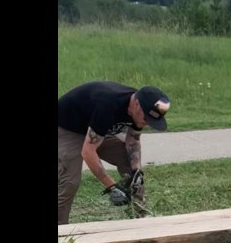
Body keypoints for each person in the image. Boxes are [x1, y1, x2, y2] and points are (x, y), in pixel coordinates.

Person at [57, 81, 171, 225]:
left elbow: (133, 139)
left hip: (96, 129)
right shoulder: (109, 104)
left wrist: (136, 170)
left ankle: (139, 216)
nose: (147, 123)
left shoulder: (140, 108)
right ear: (136, 104)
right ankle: (60, 232)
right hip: (67, 128)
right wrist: (111, 186)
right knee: (69, 181)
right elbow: (88, 152)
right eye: (146, 119)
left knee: (130, 167)